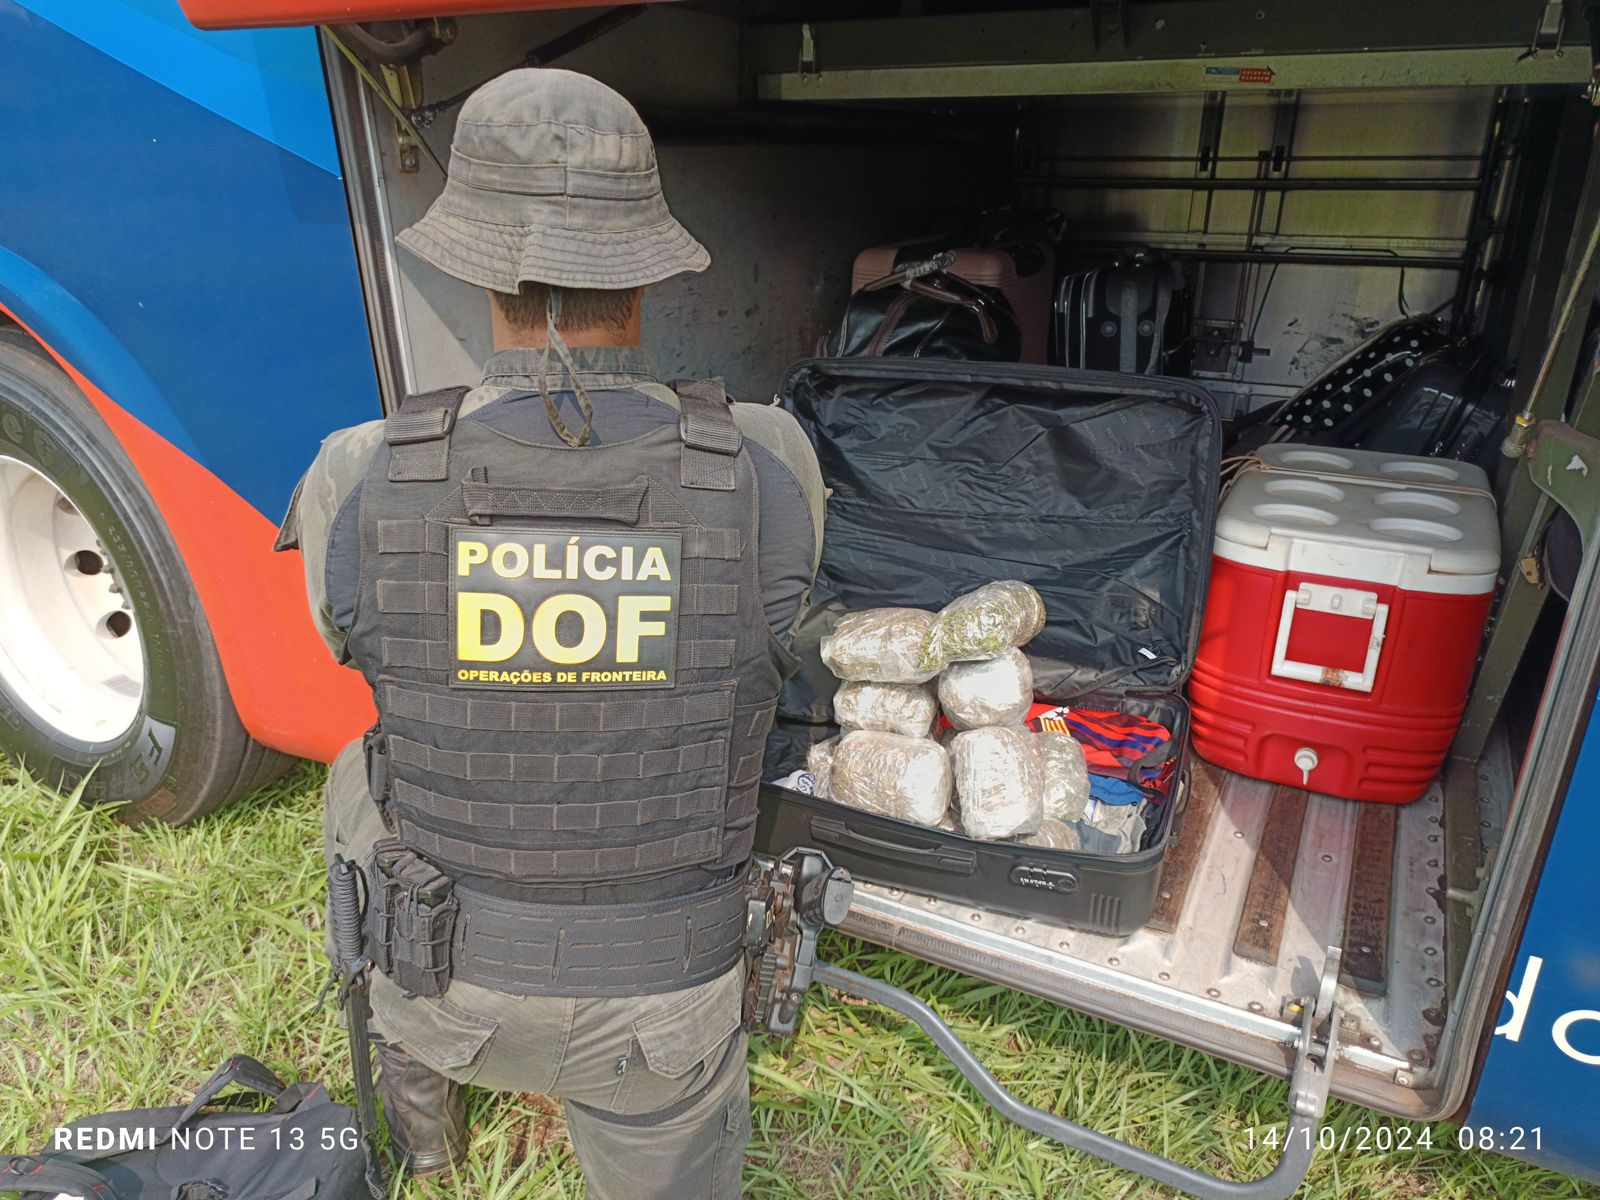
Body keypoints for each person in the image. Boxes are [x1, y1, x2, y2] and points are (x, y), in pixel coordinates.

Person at [275, 67, 824, 1199]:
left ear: (475, 265)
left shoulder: (359, 467)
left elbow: (356, 650)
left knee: (356, 772)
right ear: (649, 267)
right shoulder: (771, 459)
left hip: (443, 985)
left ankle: (423, 1112)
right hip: (661, 1011)